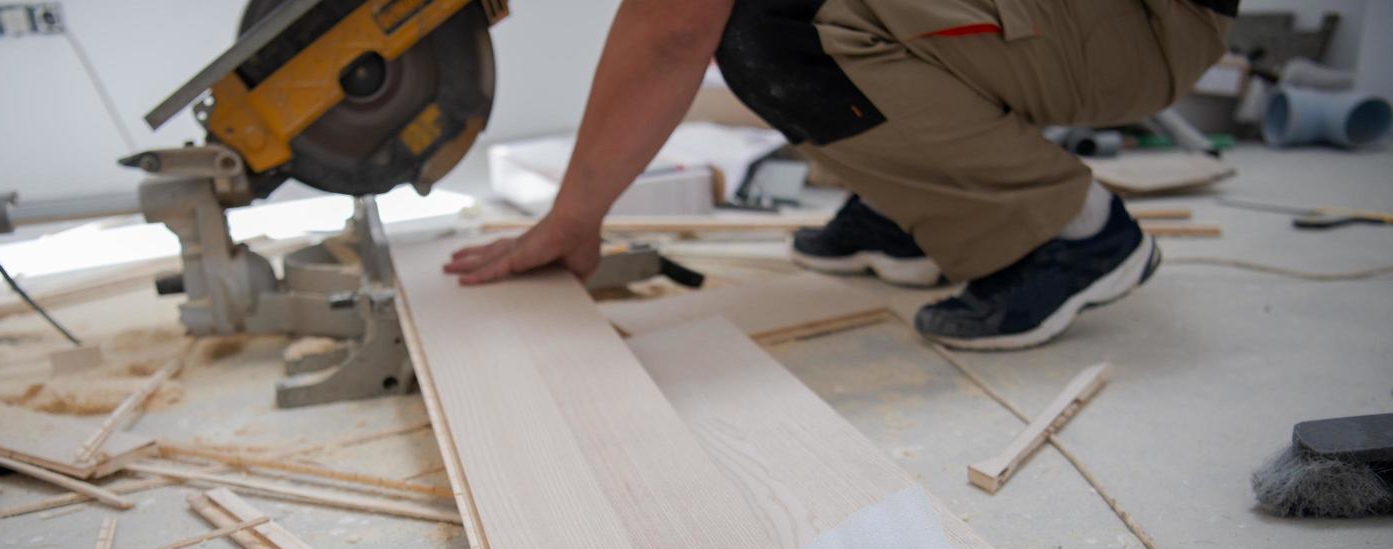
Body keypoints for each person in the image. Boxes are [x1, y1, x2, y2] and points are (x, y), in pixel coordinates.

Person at [444, 0, 1235, 350]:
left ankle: (1070, 235)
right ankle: (921, 202)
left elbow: (674, 27)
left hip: (1139, 19)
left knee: (774, 25)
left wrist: (574, 218)